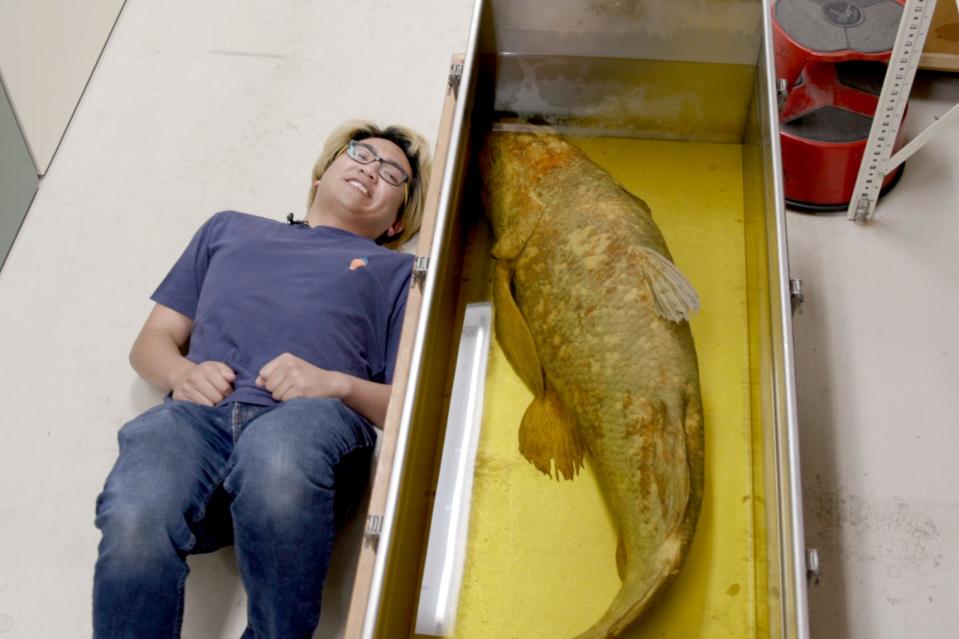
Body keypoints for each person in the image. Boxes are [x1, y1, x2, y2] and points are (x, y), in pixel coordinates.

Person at [92, 120, 431, 639]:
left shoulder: (397, 274)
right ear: (320, 176)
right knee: (137, 509)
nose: (370, 169)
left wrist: (337, 385)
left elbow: (411, 407)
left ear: (395, 221)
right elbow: (152, 341)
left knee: (276, 454)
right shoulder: (228, 229)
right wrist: (183, 373)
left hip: (307, 433)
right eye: (360, 154)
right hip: (195, 424)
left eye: (393, 174)